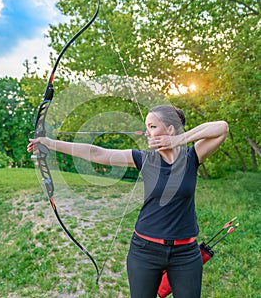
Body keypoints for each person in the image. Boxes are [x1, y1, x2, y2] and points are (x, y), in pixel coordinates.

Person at [27, 105, 229, 298]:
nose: (147, 133)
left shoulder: (192, 156)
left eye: (152, 126)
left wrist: (177, 141)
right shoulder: (143, 158)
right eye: (146, 127)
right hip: (145, 250)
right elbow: (98, 153)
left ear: (169, 128)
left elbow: (222, 128)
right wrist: (49, 143)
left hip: (186, 252)